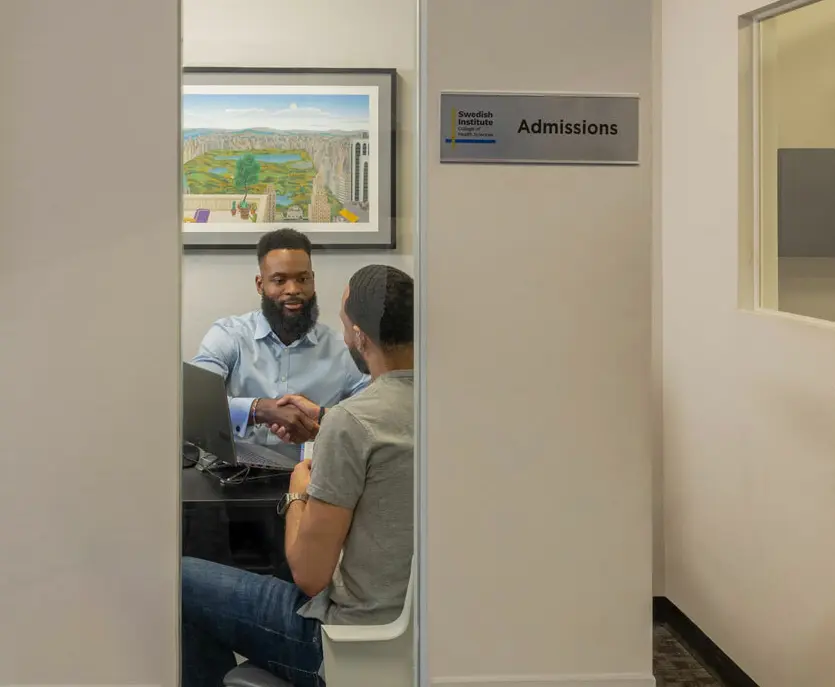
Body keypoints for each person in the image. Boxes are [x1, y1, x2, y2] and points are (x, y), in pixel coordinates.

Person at [181, 265, 414, 687]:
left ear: (360, 335)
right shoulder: (447, 406)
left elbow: (309, 576)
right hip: (422, 639)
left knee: (176, 579)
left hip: (343, 643)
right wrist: (325, 417)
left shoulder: (352, 421)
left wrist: (297, 493)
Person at [191, 228, 369, 446]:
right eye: (279, 280)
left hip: (311, 466)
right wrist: (260, 409)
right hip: (234, 466)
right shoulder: (229, 335)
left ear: (313, 280)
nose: (293, 289)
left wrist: (322, 420)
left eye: (302, 279)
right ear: (260, 284)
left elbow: (372, 417)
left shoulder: (342, 350)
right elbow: (195, 401)